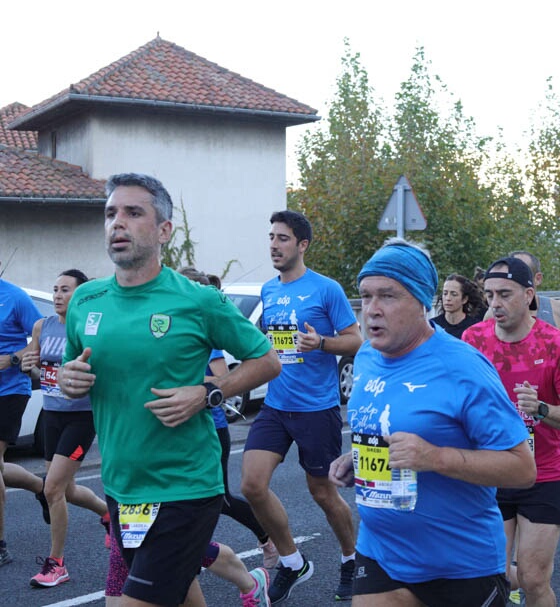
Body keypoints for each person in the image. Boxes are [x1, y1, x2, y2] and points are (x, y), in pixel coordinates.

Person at [58, 172, 280, 606]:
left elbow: (267, 361)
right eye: (110, 214)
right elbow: (73, 372)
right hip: (122, 486)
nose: (116, 223)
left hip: (186, 487)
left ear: (164, 230)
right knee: (179, 595)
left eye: (133, 213)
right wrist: (69, 380)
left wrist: (208, 392)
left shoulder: (197, 300)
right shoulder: (85, 301)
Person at [328, 238, 535, 607]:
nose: (372, 310)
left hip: (459, 565)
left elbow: (522, 469)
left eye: (388, 296)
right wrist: (356, 458)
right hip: (380, 554)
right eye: (366, 295)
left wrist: (435, 458)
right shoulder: (365, 357)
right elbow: (389, 431)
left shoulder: (463, 367)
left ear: (422, 302)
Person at [240, 210, 363, 604]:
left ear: (302, 245)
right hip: (276, 406)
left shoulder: (326, 289)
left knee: (323, 493)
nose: (274, 245)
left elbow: (355, 340)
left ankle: (351, 559)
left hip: (317, 408)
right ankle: (293, 562)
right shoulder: (268, 291)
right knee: (252, 485)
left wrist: (322, 344)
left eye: (283, 238)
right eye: (271, 237)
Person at [464, 256, 560, 607]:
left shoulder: (554, 343)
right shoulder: (474, 339)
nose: (495, 303)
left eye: (504, 294)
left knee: (534, 579)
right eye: (489, 295)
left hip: (542, 474)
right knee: (495, 574)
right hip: (490, 471)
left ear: (529, 294)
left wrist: (542, 409)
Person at [177, 267, 277, 569]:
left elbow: (220, 377)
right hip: (179, 431)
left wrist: (189, 383)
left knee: (220, 501)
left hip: (211, 429)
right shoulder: (174, 332)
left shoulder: (205, 331)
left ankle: (267, 540)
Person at [23, 269, 110, 588]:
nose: (57, 295)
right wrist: (28, 363)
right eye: (55, 289)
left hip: (80, 416)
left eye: (65, 290)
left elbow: (101, 367)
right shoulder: (41, 326)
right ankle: (108, 515)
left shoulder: (88, 329)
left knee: (52, 489)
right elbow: (32, 361)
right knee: (67, 489)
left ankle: (56, 564)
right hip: (52, 414)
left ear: (80, 295)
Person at [506, 251, 560, 556]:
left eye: (522, 275)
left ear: (536, 281)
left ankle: (551, 518)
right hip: (517, 400)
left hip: (551, 397)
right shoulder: (495, 316)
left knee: (544, 456)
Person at [0, 266, 46, 568]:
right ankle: (41, 488)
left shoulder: (15, 296)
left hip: (10, 390)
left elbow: (42, 330)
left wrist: (15, 358)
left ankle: (0, 545)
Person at [104, 536, 270, 606]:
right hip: (126, 488)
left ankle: (251, 584)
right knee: (129, 555)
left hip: (173, 483)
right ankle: (251, 583)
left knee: (173, 551)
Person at [431, 273, 485, 339]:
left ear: (464, 299)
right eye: (445, 293)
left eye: (454, 294)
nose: (448, 298)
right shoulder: (432, 326)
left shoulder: (476, 328)